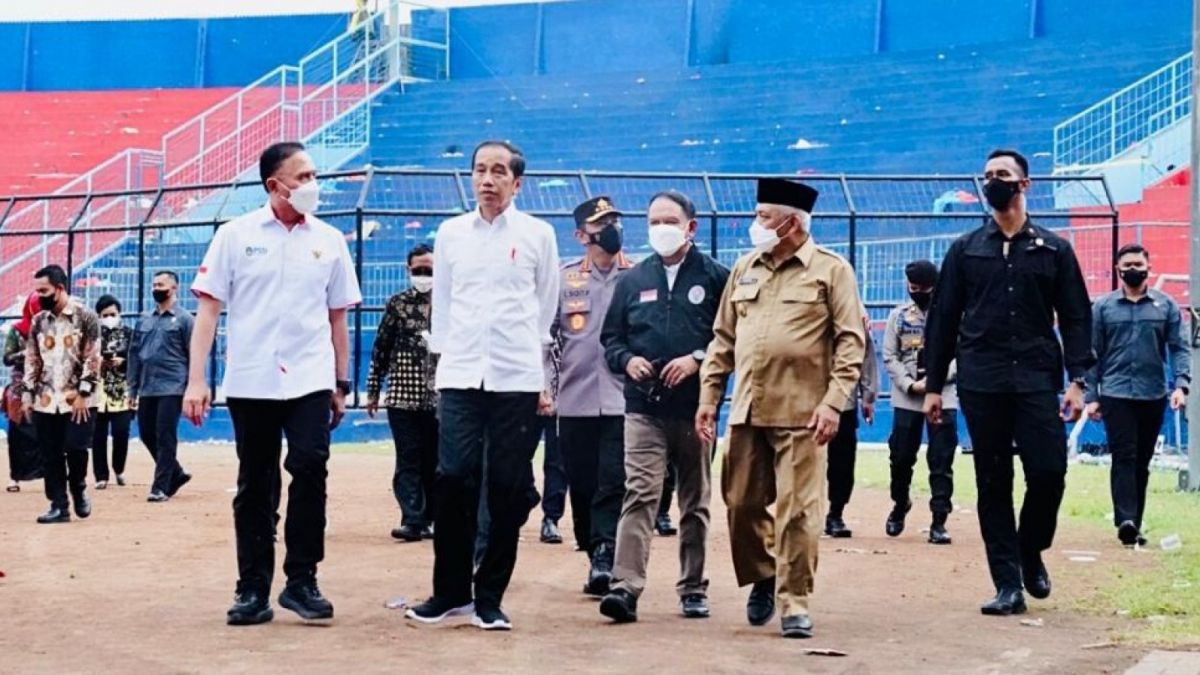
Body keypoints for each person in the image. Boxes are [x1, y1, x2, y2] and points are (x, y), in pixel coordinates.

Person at [185, 141, 362, 626]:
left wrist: (341, 382)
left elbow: (338, 318)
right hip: (252, 378)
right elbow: (208, 311)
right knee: (255, 483)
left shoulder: (329, 240)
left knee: (311, 467)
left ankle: (302, 580)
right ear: (273, 185)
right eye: (302, 177)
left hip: (310, 377)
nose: (312, 185)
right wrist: (197, 379)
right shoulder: (235, 236)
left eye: (313, 175)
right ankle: (252, 587)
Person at [924, 148, 1093, 616]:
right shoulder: (965, 249)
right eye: (987, 175)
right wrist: (934, 385)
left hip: (1038, 377)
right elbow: (943, 320)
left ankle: (1031, 548)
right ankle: (1007, 584)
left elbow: (1077, 317)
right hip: (982, 380)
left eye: (1002, 175)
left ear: (1025, 185)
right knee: (992, 481)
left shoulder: (1055, 249)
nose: (992, 182)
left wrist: (1078, 380)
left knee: (1048, 472)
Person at [698, 178, 864, 639]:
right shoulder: (745, 268)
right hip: (749, 407)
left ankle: (795, 600)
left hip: (804, 413)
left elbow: (851, 342)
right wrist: (709, 397)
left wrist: (834, 403)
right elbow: (723, 339)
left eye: (764, 217)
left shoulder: (832, 271)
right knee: (740, 503)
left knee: (798, 511)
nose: (756, 225)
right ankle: (764, 573)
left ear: (792, 222)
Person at [405, 140, 558, 632]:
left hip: (516, 377)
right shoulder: (451, 234)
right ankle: (450, 593)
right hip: (462, 374)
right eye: (479, 170)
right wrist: (444, 364)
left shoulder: (539, 235)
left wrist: (538, 376)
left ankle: (489, 597)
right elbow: (444, 304)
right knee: (453, 478)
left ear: (517, 182)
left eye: (498, 171)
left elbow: (546, 305)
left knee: (508, 489)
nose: (487, 179)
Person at [597, 190, 729, 623]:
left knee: (695, 499)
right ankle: (625, 586)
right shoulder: (633, 280)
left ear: (691, 226)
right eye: (653, 221)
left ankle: (693, 588)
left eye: (669, 221)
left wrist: (696, 360)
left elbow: (732, 337)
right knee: (641, 492)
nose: (660, 229)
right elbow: (611, 339)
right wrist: (628, 360)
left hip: (697, 408)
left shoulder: (715, 278)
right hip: (643, 408)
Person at [545, 195, 634, 595]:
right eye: (602, 224)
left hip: (623, 398)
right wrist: (545, 388)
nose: (612, 230)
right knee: (581, 480)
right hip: (575, 398)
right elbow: (547, 339)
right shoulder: (564, 280)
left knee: (613, 477)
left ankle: (605, 551)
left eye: (615, 221)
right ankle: (592, 545)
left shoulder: (638, 276)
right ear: (582, 235)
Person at [1085, 244, 1189, 546]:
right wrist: (1092, 395)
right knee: (1124, 455)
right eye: (1127, 264)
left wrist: (1181, 386)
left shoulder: (1166, 306)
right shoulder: (1103, 308)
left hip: (1152, 393)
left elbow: (1179, 348)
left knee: (1141, 460)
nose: (1133, 269)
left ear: (1148, 266)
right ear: (1118, 270)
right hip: (1116, 393)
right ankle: (1125, 518)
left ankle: (1134, 523)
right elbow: (1094, 354)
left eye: (1138, 264)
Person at [882, 260, 958, 544]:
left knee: (941, 459)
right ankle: (900, 504)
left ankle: (939, 520)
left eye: (923, 288)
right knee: (901, 457)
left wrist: (935, 383)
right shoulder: (899, 317)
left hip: (944, 396)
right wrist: (911, 385)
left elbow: (960, 355)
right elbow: (890, 356)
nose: (917, 292)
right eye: (912, 288)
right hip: (907, 398)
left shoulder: (952, 317)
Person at [367, 243, 439, 542]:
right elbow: (381, 348)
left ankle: (434, 517)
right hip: (402, 396)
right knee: (408, 457)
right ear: (408, 270)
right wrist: (373, 389)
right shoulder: (397, 304)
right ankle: (412, 519)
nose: (424, 275)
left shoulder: (453, 303)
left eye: (429, 270)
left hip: (442, 397)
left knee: (437, 460)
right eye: (418, 270)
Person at [20, 265, 101, 524]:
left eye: (43, 291)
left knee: (77, 448)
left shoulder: (85, 316)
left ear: (60, 288)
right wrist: (27, 394)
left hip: (78, 399)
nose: (39, 296)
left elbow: (93, 358)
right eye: (36, 291)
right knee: (50, 453)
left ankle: (78, 488)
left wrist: (83, 392)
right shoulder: (38, 321)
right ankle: (59, 505)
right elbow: (32, 360)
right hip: (45, 399)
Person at [128, 271, 194, 503]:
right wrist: (132, 389)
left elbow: (193, 353)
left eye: (161, 284)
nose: (157, 288)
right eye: (154, 284)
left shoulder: (185, 320)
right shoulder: (144, 319)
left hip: (173, 386)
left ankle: (161, 486)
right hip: (148, 386)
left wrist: (192, 386)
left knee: (165, 435)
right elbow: (134, 355)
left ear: (174, 288)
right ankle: (175, 473)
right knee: (147, 433)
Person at [823, 308, 878, 538]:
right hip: (803, 398)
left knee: (842, 461)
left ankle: (836, 513)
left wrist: (868, 396)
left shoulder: (854, 316)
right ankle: (797, 515)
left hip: (842, 399)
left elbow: (865, 355)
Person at [92, 295, 133, 490]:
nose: (109, 317)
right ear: (98, 315)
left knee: (121, 432)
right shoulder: (92, 335)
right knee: (97, 436)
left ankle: (119, 469)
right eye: (105, 314)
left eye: (113, 314)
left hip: (121, 392)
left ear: (119, 314)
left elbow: (136, 358)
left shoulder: (128, 334)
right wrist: (99, 363)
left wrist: (123, 362)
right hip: (97, 393)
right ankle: (101, 475)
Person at [4, 293, 44, 492]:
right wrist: (26, 353)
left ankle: (50, 473)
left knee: (47, 432)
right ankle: (15, 477)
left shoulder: (52, 329)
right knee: (17, 433)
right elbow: (7, 358)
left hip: (46, 385)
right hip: (20, 387)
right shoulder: (17, 331)